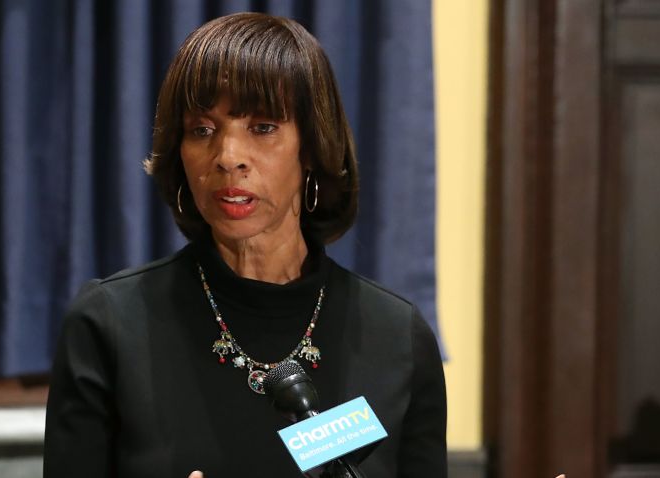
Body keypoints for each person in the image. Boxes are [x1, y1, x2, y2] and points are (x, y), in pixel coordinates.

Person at [43, 12, 446, 478]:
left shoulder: (397, 336)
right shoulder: (108, 324)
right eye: (202, 130)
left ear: (312, 147)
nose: (228, 158)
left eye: (262, 127)